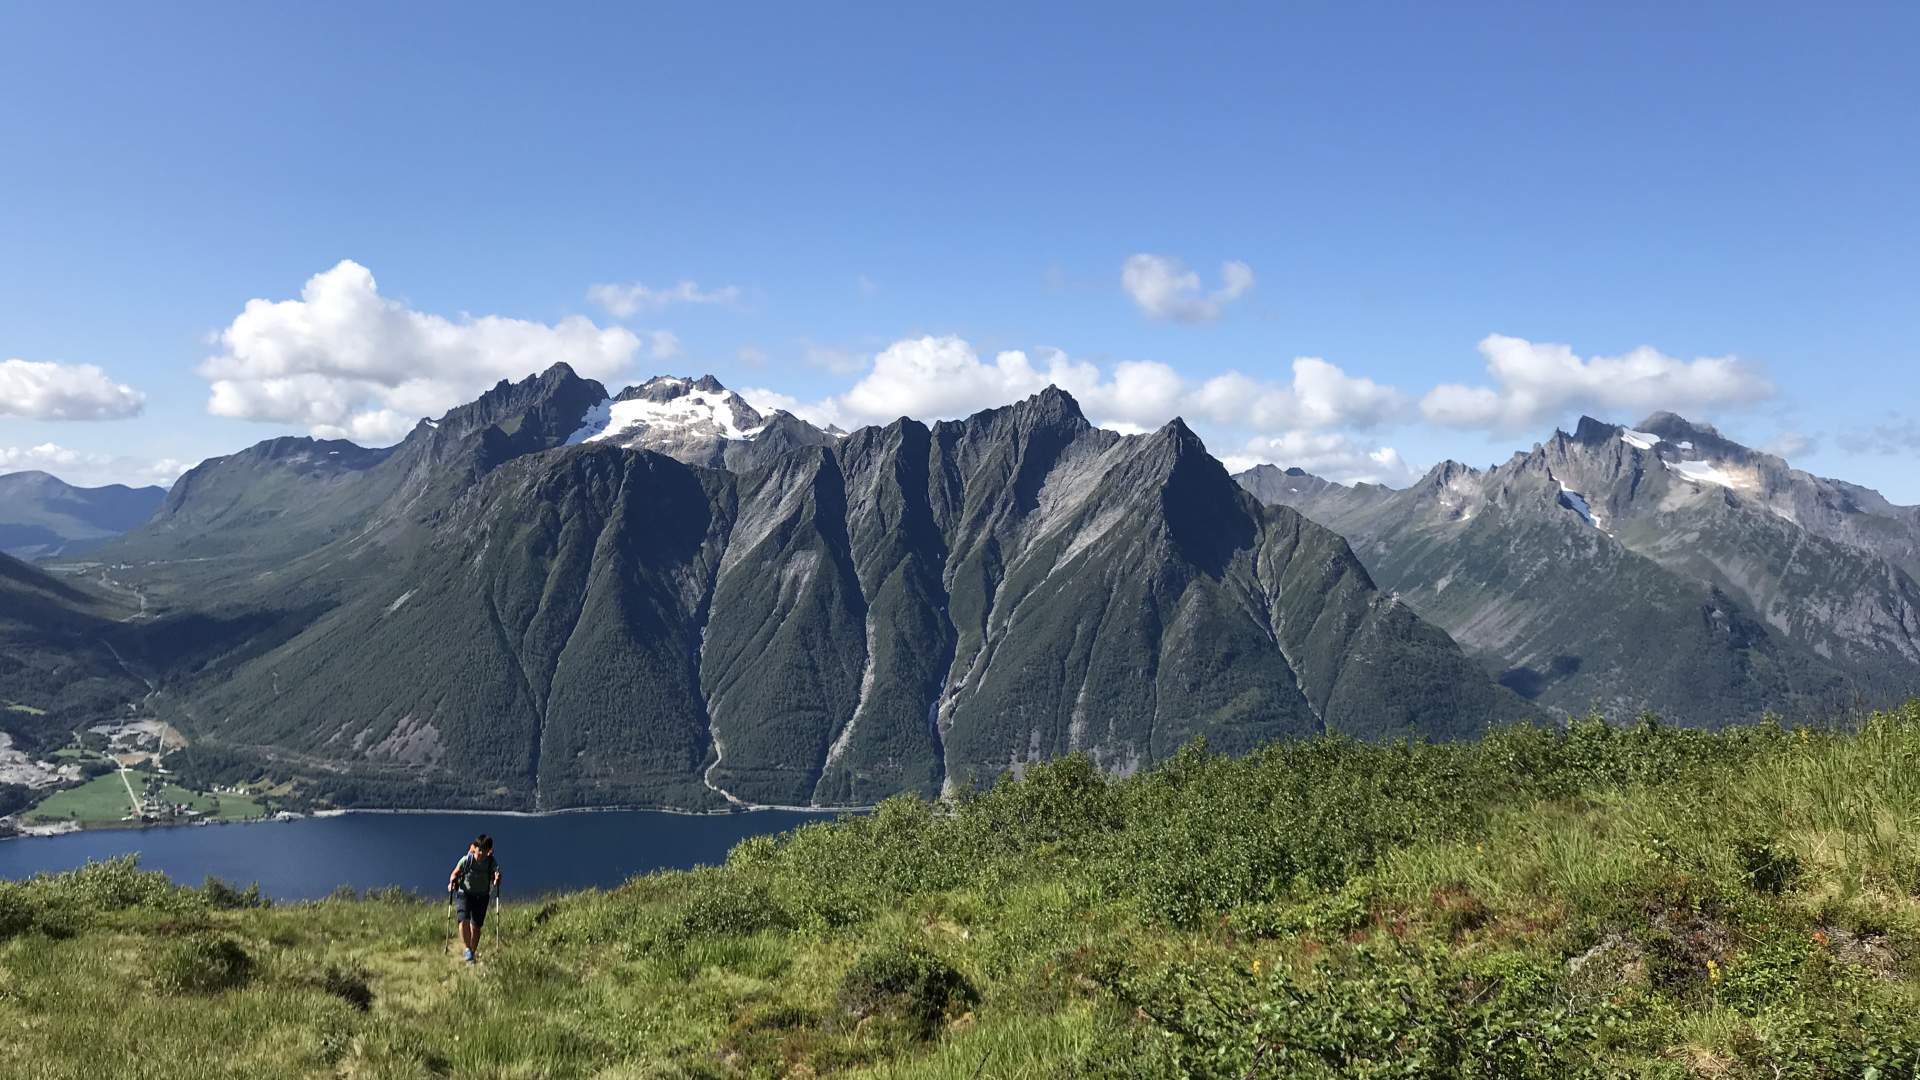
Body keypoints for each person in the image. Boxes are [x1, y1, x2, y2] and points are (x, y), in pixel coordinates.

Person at [448, 833, 501, 964]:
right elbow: (455, 873)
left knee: (476, 927)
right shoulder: (467, 860)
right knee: (463, 920)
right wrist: (452, 882)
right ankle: (467, 950)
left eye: (484, 851)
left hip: (482, 896)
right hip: (464, 893)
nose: (481, 854)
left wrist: (497, 879)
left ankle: (472, 952)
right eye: (479, 850)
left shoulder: (491, 863)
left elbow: (496, 876)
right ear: (475, 848)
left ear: (489, 851)